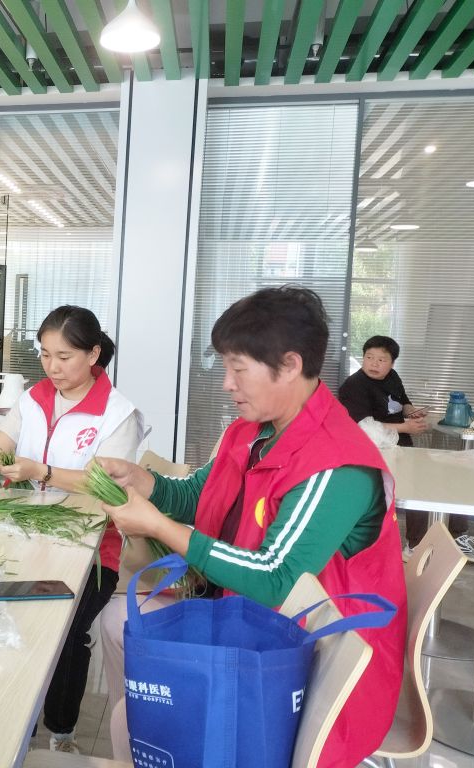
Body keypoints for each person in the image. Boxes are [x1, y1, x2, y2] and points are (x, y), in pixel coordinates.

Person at [96, 287, 407, 768]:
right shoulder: (251, 431)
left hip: (311, 651)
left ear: (290, 365)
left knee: (126, 716)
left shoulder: (334, 464)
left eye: (238, 369)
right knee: (118, 623)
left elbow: (275, 579)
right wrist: (143, 481)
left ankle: (171, 727)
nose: (227, 384)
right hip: (249, 616)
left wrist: (158, 525)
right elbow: (197, 495)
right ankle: (162, 719)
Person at [0, 305, 144, 754]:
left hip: (92, 551)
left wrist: (42, 472)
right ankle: (10, 724)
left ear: (93, 354)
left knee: (66, 635)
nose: (52, 367)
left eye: (64, 356)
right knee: (5, 621)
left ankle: (61, 734)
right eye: (45, 355)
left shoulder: (118, 414)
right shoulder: (33, 399)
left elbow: (106, 484)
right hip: (22, 536)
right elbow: (1, 443)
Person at [339, 335, 474, 563]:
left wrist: (412, 411)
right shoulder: (353, 386)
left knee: (451, 476)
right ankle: (415, 545)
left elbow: (402, 402)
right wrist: (405, 427)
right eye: (369, 357)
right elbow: (363, 427)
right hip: (375, 453)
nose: (374, 364)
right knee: (420, 486)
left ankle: (457, 536)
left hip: (402, 448)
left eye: (381, 360)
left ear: (392, 363)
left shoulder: (392, 377)